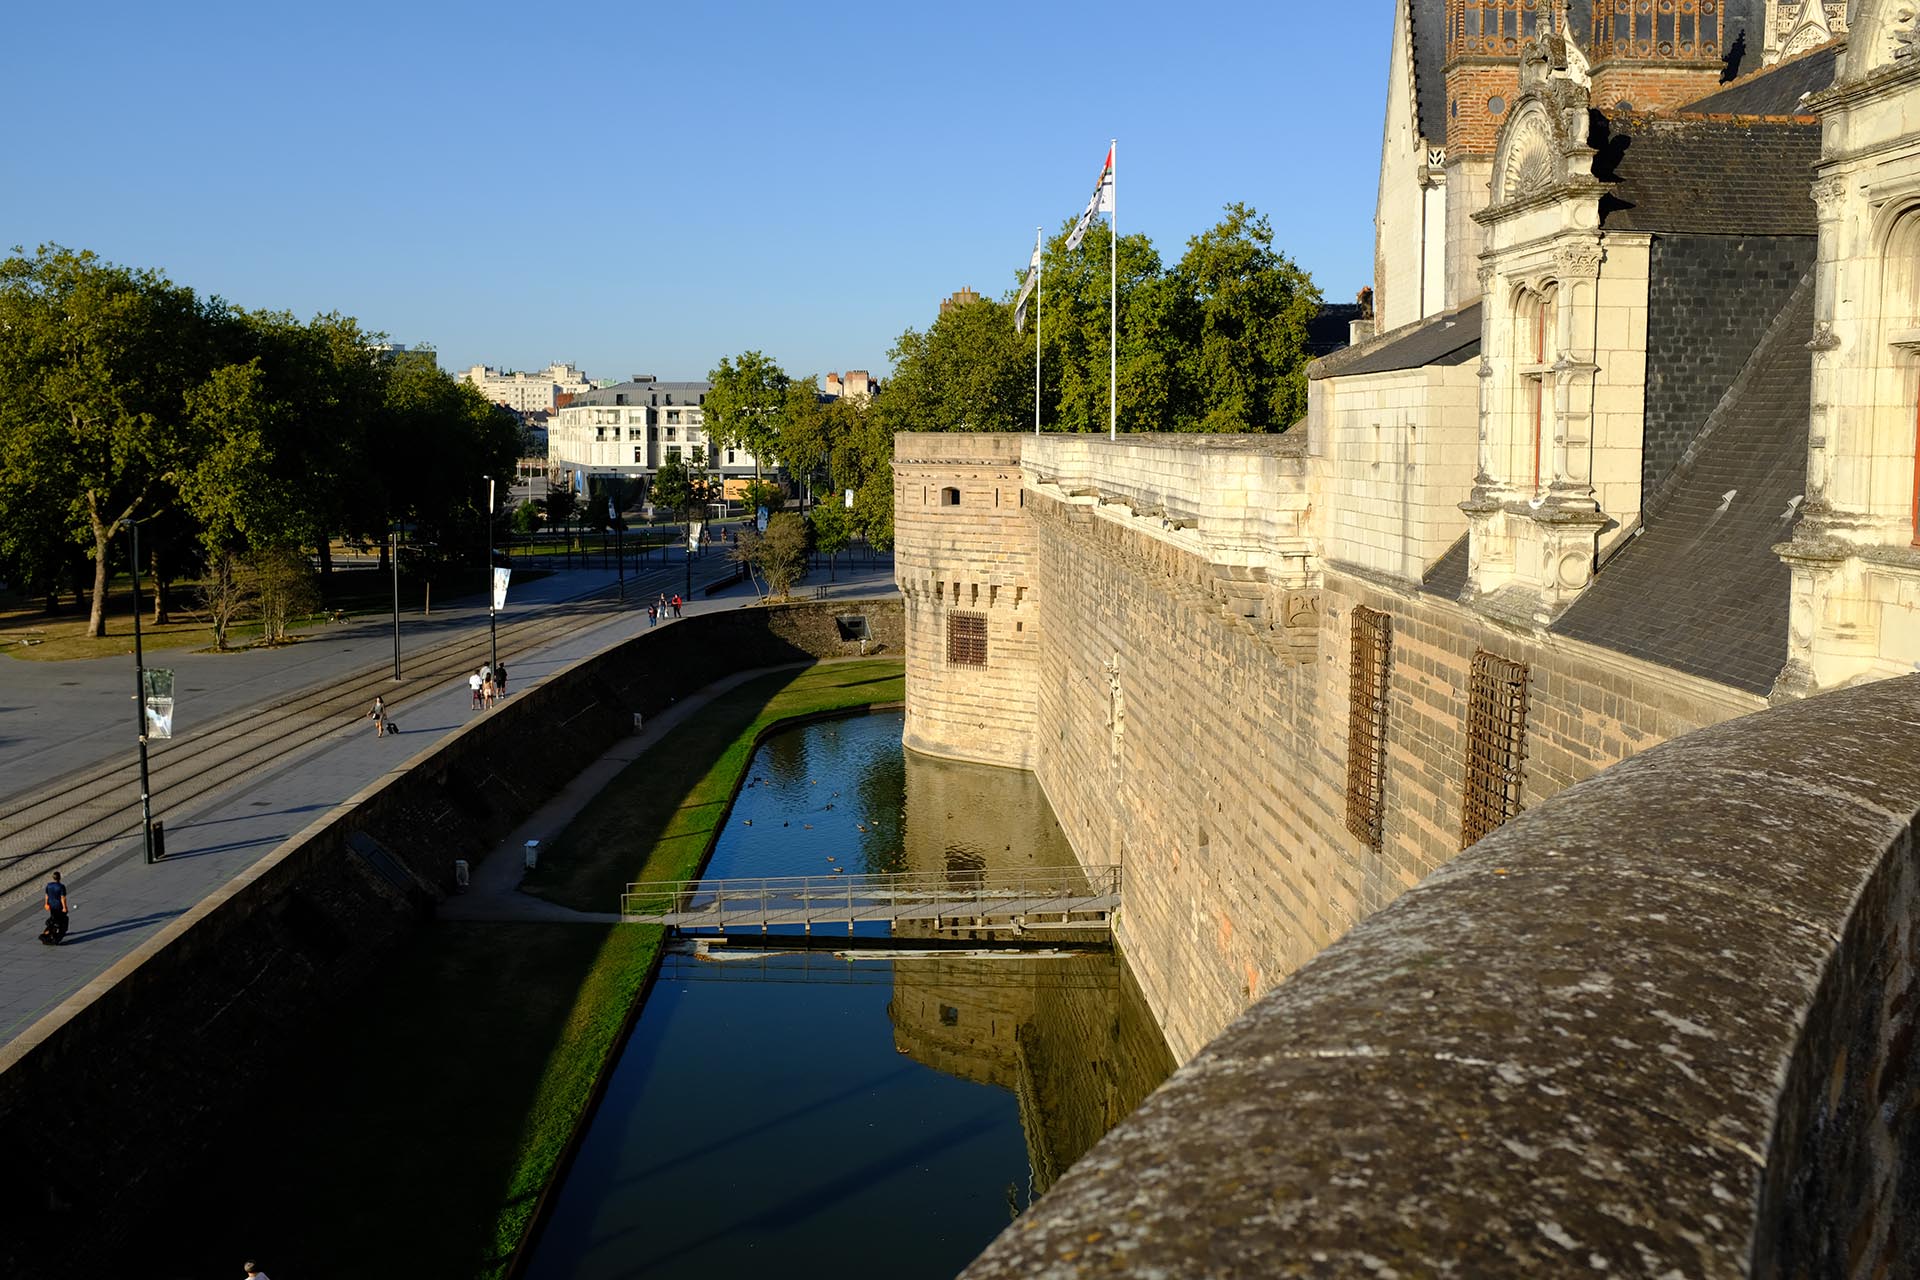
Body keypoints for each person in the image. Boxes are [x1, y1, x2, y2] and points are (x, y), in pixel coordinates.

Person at [42, 871, 68, 944]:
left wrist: (46, 904)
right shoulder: (61, 886)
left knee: (53, 918)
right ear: (59, 877)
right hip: (58, 906)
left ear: (53, 878)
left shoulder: (49, 885)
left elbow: (47, 895)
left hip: (51, 905)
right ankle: (55, 934)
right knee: (60, 920)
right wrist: (64, 907)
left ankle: (50, 931)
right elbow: (63, 898)